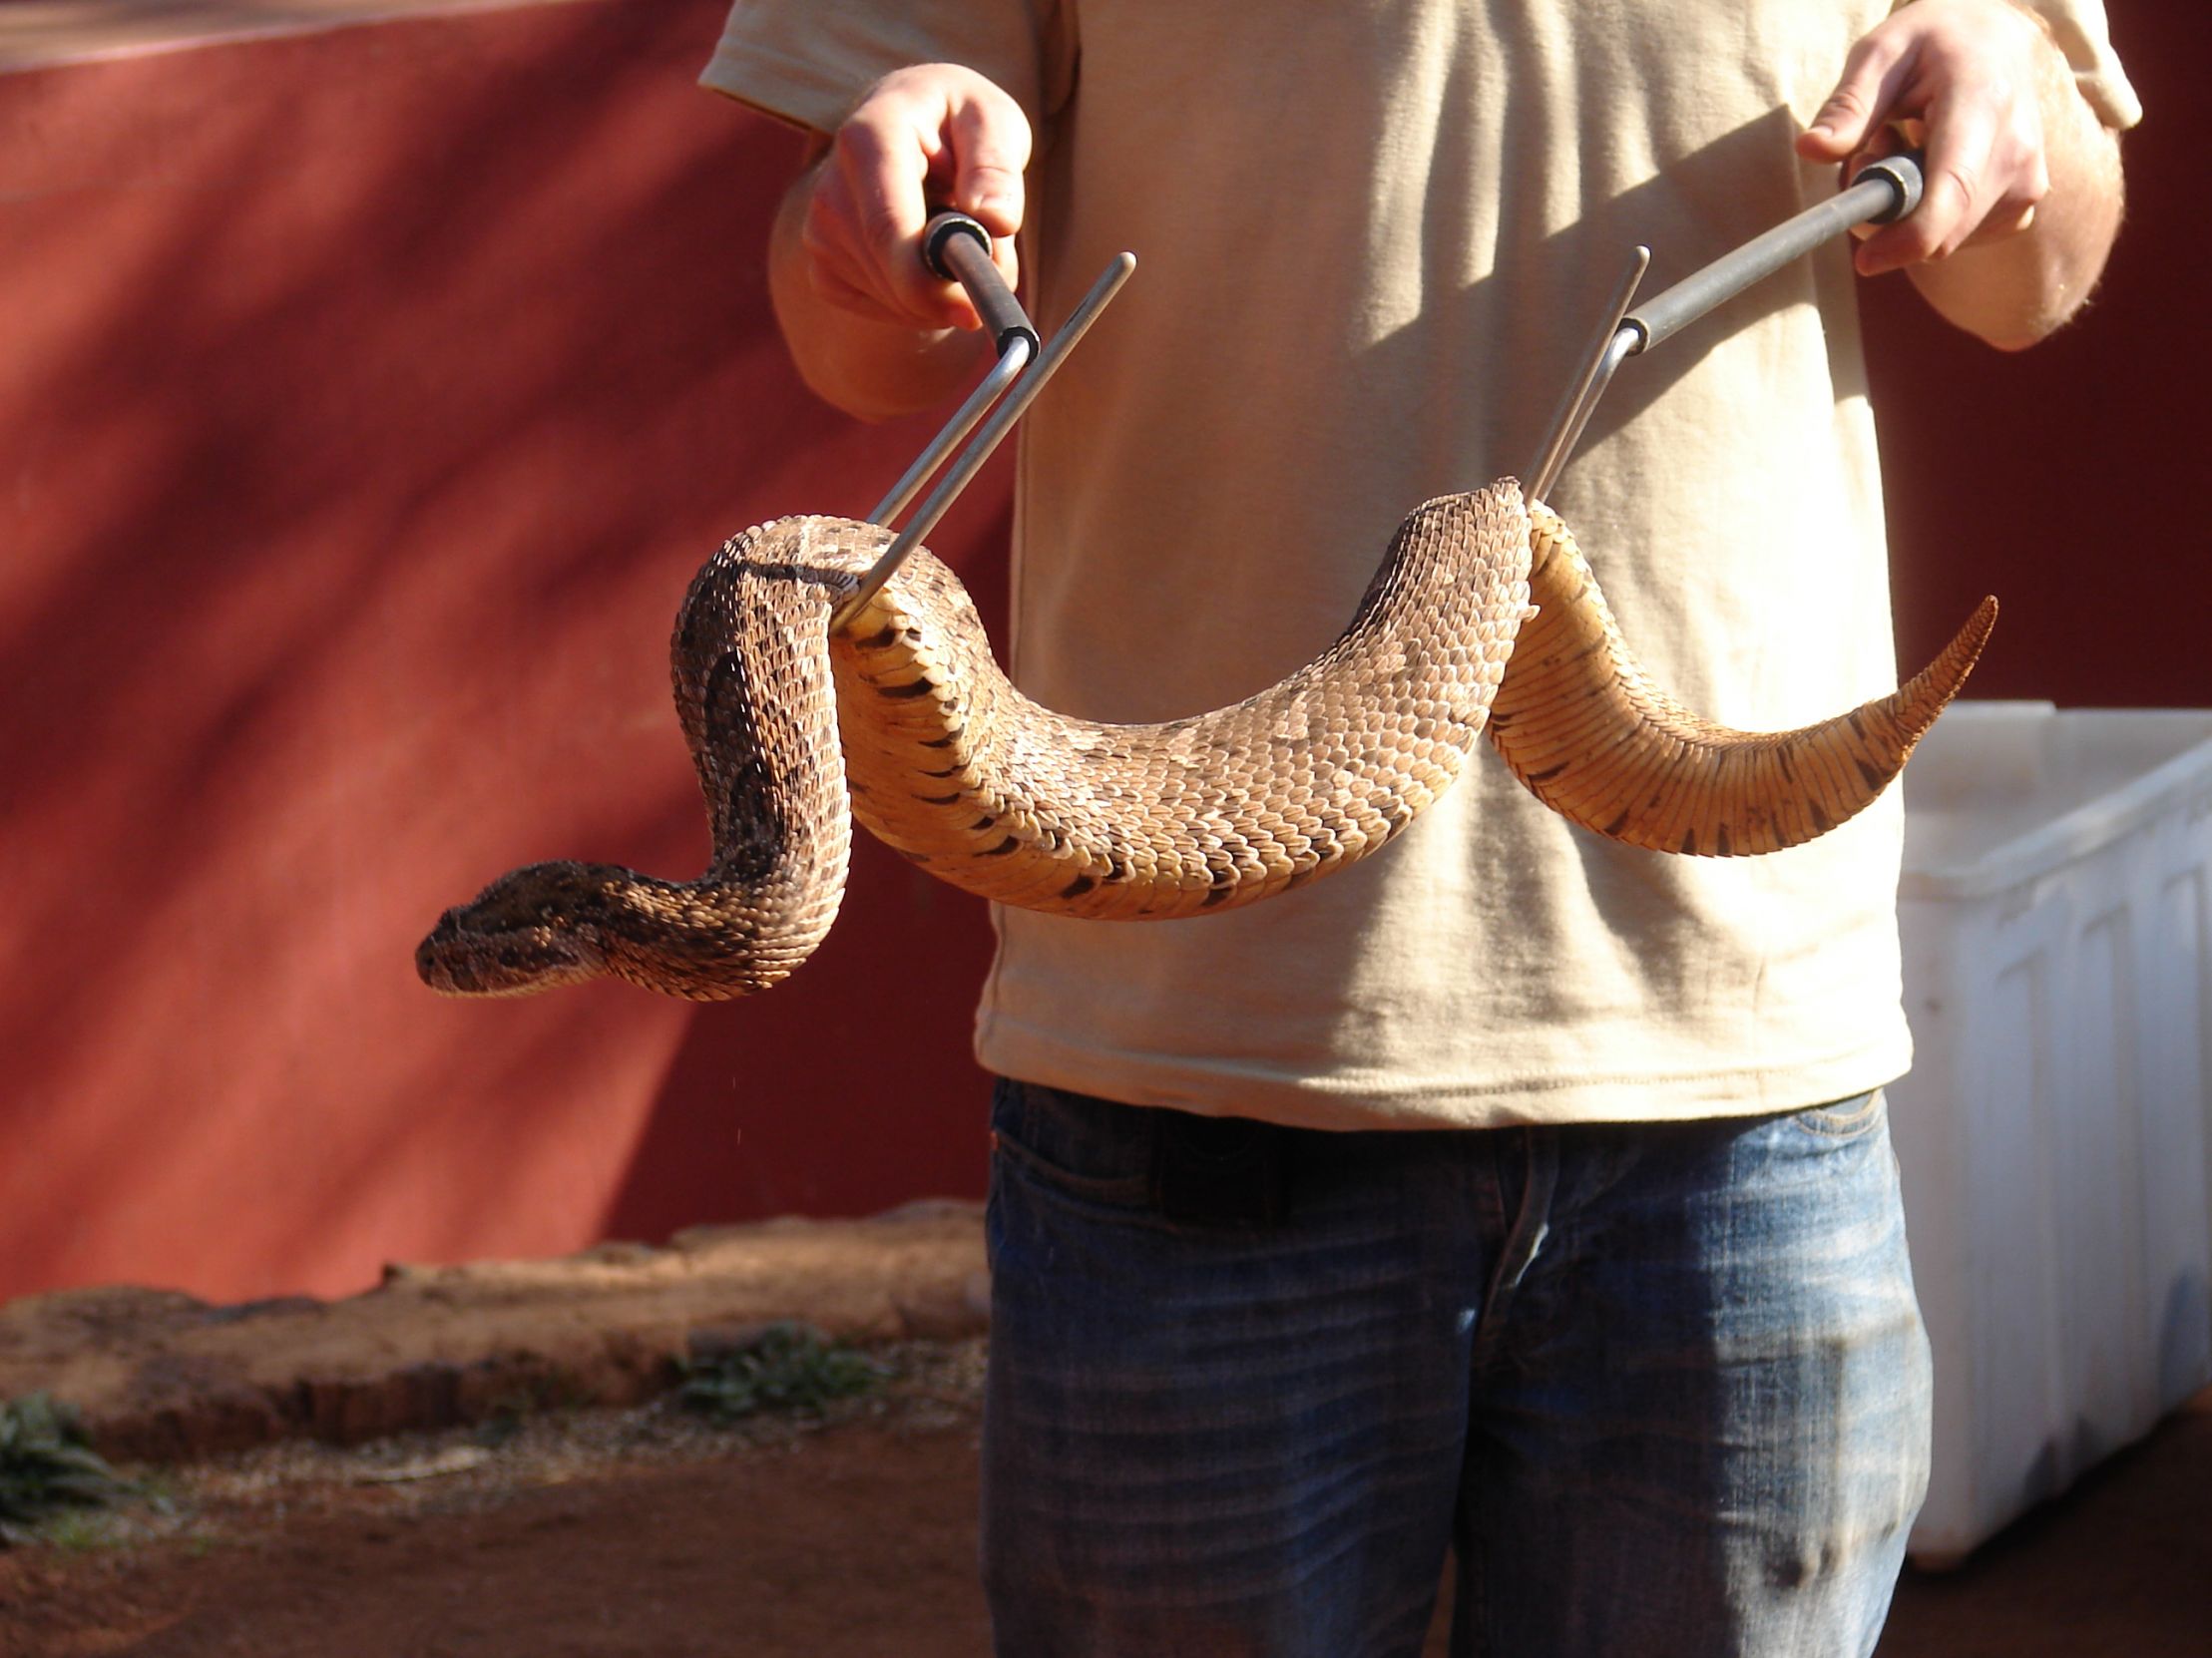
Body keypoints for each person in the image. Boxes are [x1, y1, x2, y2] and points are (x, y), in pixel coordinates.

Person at [700, 4, 2138, 1653]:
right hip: (1198, 1080)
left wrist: (2021, 123)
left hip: (1740, 1097)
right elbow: (852, 339)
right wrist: (877, 226)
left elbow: (2039, 267)